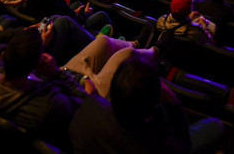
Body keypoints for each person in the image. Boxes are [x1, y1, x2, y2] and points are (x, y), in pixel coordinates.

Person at [69, 56, 224, 154]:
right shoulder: (160, 145)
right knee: (215, 125)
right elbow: (184, 145)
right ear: (150, 111)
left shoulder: (86, 109)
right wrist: (174, 103)